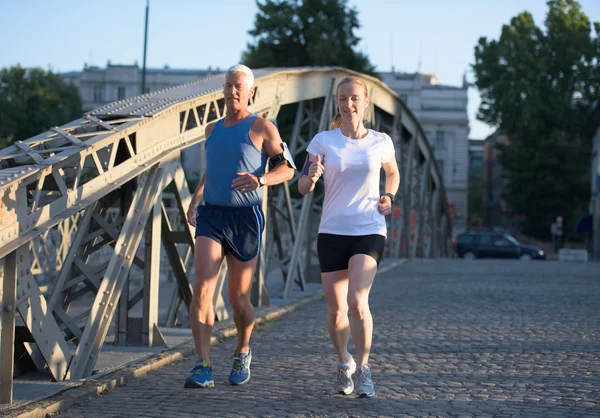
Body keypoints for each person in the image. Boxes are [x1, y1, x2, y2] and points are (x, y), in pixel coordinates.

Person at [184, 64, 295, 388]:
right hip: (213, 216)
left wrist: (260, 179)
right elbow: (214, 170)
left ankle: (243, 349)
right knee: (202, 290)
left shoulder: (261, 127)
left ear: (250, 92)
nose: (232, 91)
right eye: (229, 85)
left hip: (245, 219)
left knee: (239, 300)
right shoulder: (212, 130)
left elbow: (288, 169)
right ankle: (203, 365)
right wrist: (196, 198)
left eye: (238, 87)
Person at [298, 76, 400, 398]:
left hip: (369, 228)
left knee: (358, 301)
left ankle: (365, 369)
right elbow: (301, 185)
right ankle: (344, 362)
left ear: (366, 102)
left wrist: (389, 196)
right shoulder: (323, 141)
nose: (348, 104)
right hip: (331, 231)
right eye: (343, 98)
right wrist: (311, 178)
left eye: (354, 98)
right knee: (336, 310)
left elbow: (393, 173)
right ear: (337, 102)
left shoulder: (381, 141)